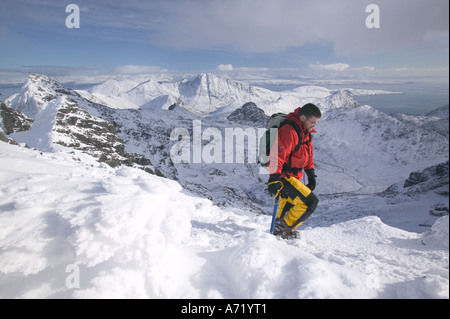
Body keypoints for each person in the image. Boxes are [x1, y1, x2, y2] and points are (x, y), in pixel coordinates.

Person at [267, 103, 321, 239]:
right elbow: (276, 156)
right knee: (310, 202)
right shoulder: (290, 132)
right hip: (283, 176)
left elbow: (308, 155)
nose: (314, 125)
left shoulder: (306, 132)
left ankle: (278, 229)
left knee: (287, 203)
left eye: (316, 122)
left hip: (295, 176)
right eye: (313, 122)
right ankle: (284, 228)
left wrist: (311, 174)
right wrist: (274, 179)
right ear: (303, 117)